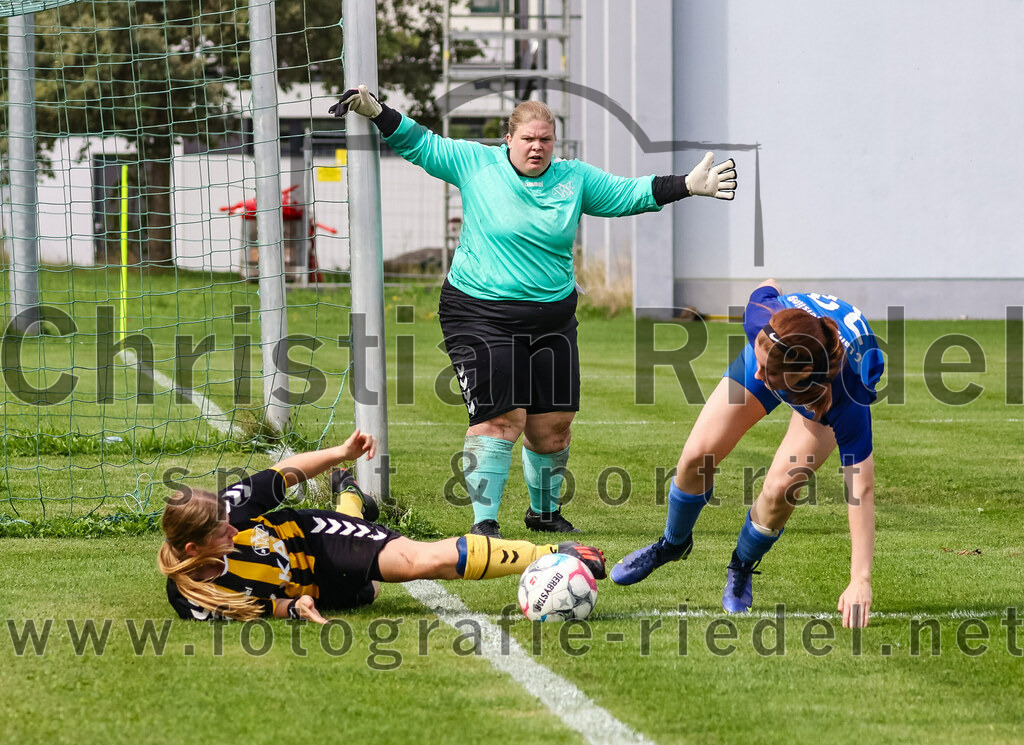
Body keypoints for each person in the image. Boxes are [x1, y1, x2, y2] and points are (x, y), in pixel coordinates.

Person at [331, 86, 737, 538]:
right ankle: (484, 523)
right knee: (501, 420)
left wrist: (686, 186)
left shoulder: (573, 179)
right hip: (479, 313)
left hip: (553, 319)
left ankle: (543, 514)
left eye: (545, 140)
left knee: (553, 428)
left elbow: (628, 194)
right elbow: (421, 143)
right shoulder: (475, 164)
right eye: (528, 139)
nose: (537, 147)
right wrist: (378, 111)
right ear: (509, 139)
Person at [610, 280, 885, 629]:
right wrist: (766, 360)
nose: (755, 375)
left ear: (801, 377)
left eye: (766, 373)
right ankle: (672, 544)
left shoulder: (845, 393)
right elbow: (768, 285)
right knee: (698, 455)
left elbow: (860, 489)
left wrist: (860, 578)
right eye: (758, 358)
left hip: (829, 378)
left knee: (780, 489)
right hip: (780, 351)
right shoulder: (762, 321)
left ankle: (741, 565)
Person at [159, 429, 607, 623]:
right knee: (371, 593)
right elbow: (257, 609)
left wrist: (340, 452)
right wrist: (295, 609)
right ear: (195, 550)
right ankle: (350, 499)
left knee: (415, 560)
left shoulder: (230, 507)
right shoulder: (196, 600)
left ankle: (553, 555)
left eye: (228, 522)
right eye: (221, 533)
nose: (233, 529)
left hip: (312, 537)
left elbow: (285, 473)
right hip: (311, 587)